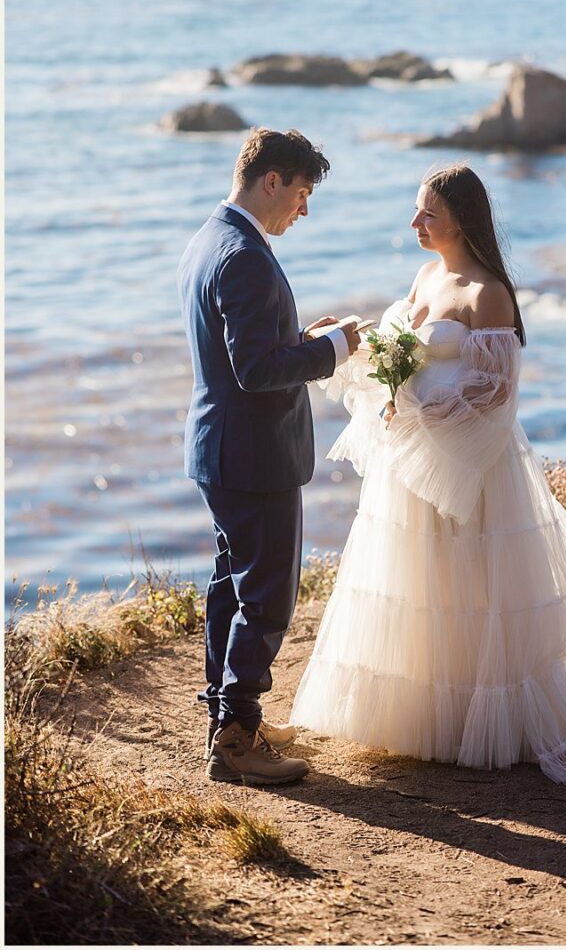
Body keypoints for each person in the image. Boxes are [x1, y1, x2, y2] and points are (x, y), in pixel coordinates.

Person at [289, 163, 566, 780]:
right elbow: (405, 353)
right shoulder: (425, 274)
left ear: (461, 221)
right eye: (418, 211)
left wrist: (421, 407)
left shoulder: (488, 292)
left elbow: (495, 391)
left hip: (470, 461)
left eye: (429, 214)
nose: (416, 223)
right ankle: (431, 704)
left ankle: (484, 708)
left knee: (475, 579)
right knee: (420, 580)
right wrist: (370, 365)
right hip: (410, 459)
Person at [178, 128, 362, 785]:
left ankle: (233, 717)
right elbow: (256, 371)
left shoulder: (212, 238)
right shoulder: (245, 256)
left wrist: (302, 337)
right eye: (303, 193)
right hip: (253, 456)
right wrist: (336, 349)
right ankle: (233, 739)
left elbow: (245, 352)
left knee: (232, 586)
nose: (304, 210)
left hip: (223, 447)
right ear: (273, 181)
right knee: (268, 598)